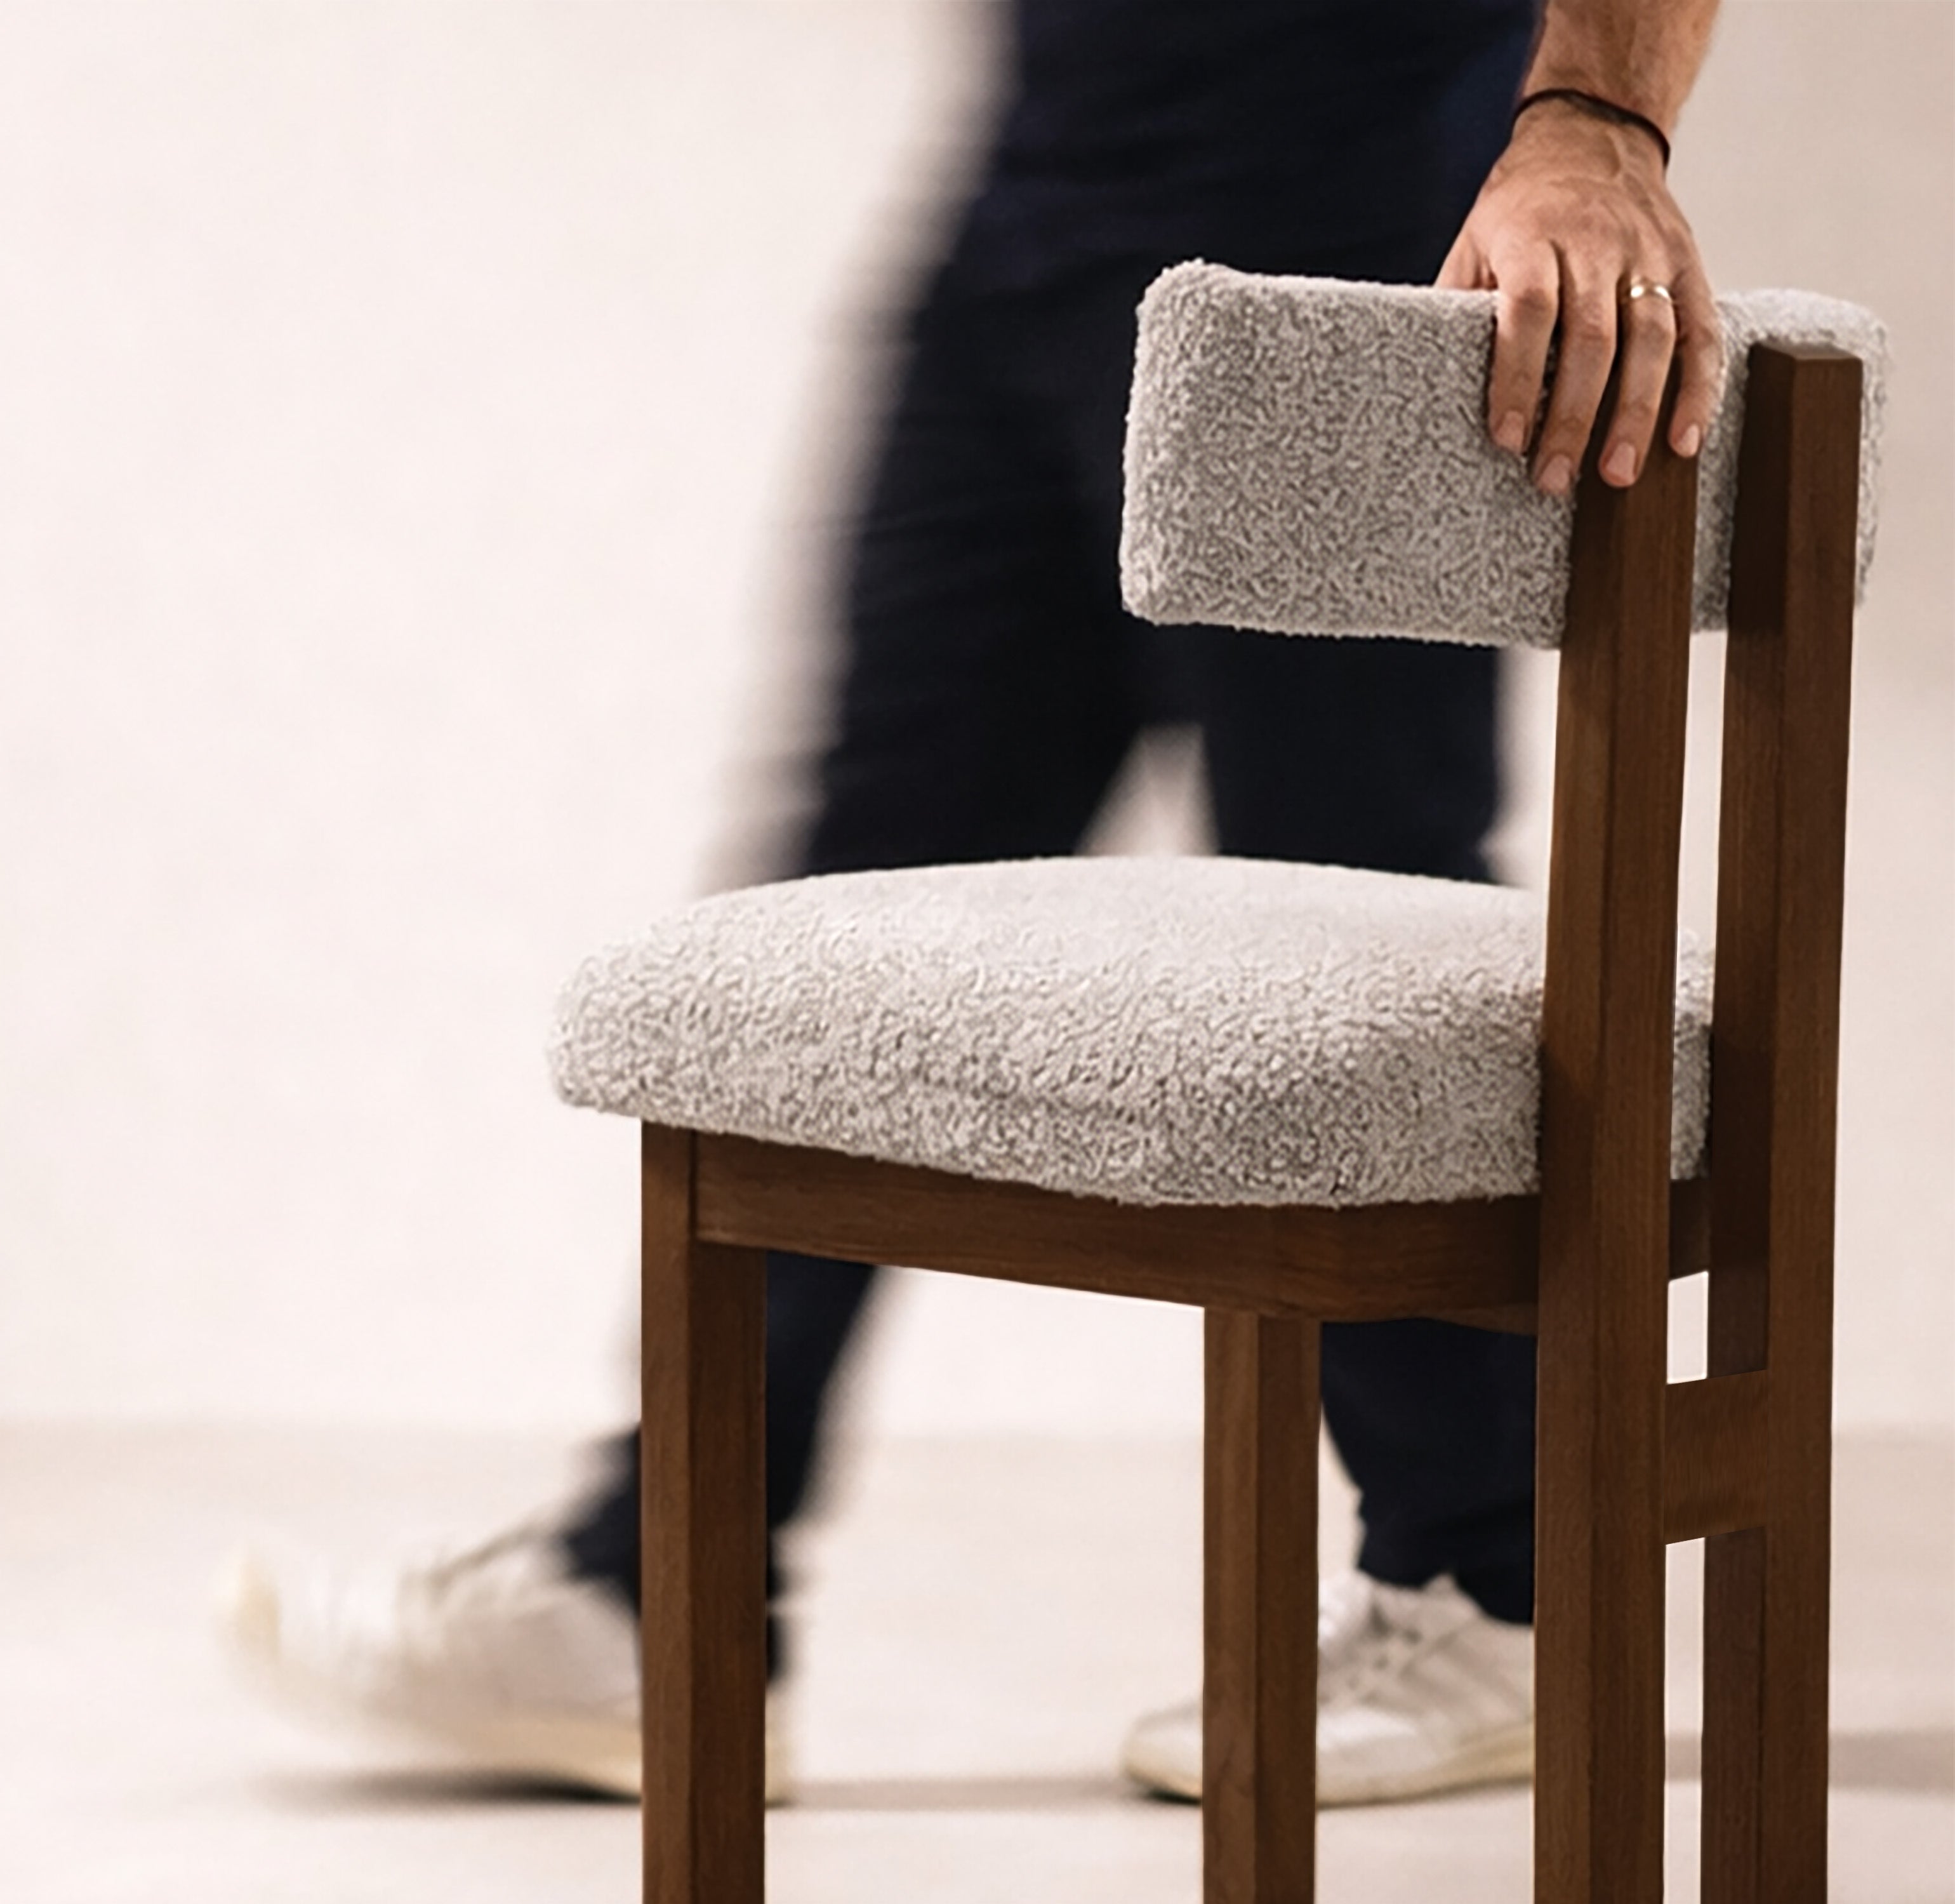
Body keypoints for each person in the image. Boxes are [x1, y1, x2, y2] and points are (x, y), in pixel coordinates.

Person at [219, 0, 1726, 1806]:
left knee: (1361, 891)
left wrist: (1597, 118)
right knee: (850, 898)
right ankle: (654, 1585)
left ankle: (1499, 1586)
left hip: (1340, 184)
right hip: (1042, 190)